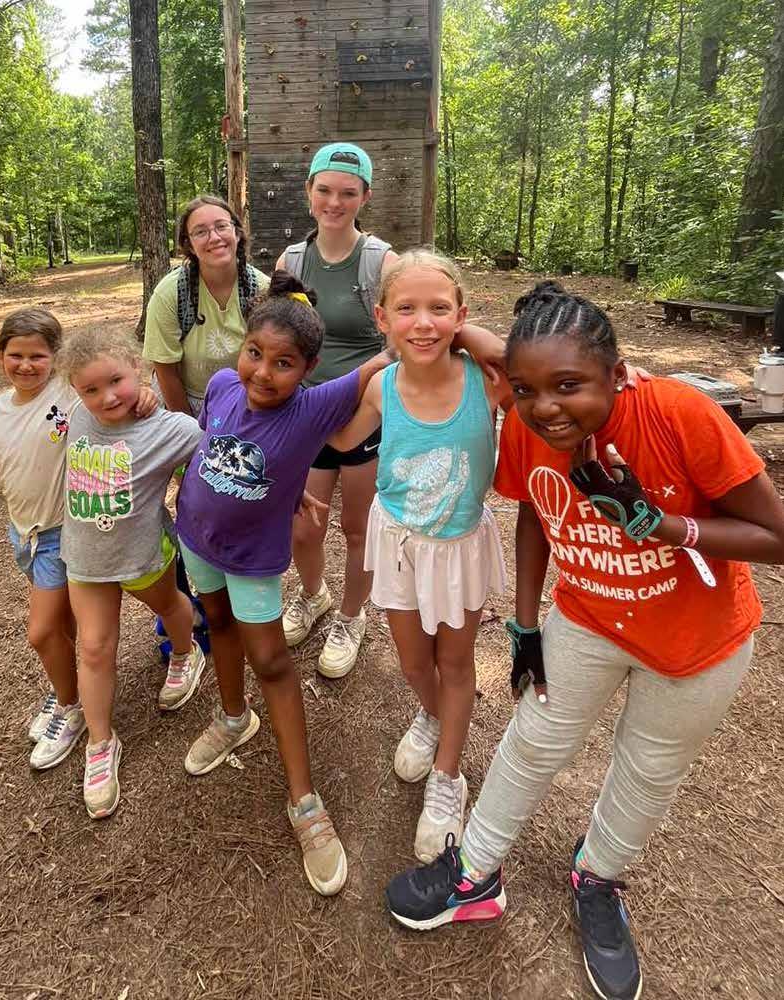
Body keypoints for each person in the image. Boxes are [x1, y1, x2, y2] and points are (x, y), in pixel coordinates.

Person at [385, 282, 784, 1000]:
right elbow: (534, 514)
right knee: (533, 740)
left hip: (697, 643)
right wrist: (525, 624)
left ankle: (597, 876)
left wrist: (661, 524)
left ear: (617, 373)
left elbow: (775, 537)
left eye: (568, 386)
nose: (546, 408)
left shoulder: (678, 414)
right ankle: (473, 873)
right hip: (588, 618)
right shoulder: (528, 427)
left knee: (648, 768)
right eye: (526, 389)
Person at [174, 272, 395, 896]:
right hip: (196, 537)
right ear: (241, 345)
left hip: (253, 559)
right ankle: (232, 717)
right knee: (217, 625)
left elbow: (388, 357)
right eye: (255, 353)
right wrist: (286, 485)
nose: (263, 373)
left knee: (271, 660)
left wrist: (445, 322)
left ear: (308, 369)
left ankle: (304, 799)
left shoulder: (314, 406)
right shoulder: (223, 385)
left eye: (283, 363)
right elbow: (218, 444)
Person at [327, 251, 509, 862]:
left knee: (455, 663)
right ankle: (432, 716)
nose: (423, 322)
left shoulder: (486, 382)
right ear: (382, 318)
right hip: (398, 543)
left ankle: (448, 775)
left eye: (439, 309)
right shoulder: (382, 387)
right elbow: (338, 437)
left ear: (461, 315)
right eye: (406, 309)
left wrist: (475, 338)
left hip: (457, 549)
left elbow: (527, 366)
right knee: (413, 664)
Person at [0, 309, 156, 772]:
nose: (26, 365)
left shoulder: (67, 394)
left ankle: (70, 707)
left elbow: (110, 389)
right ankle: (69, 688)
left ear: (57, 358)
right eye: (16, 355)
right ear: (0, 357)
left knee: (42, 631)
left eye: (38, 356)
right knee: (61, 627)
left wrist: (144, 393)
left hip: (62, 534)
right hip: (23, 534)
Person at [58, 329, 205, 820]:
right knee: (94, 647)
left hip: (143, 557)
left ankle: (185, 653)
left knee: (171, 607)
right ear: (76, 391)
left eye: (116, 381)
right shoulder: (76, 416)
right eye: (91, 389)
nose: (106, 397)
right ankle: (101, 743)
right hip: (86, 560)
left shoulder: (172, 430)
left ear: (137, 370)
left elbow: (216, 464)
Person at [275, 142, 399, 678]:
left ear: (365, 197)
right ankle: (313, 595)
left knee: (356, 527)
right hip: (307, 412)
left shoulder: (381, 262)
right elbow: (281, 338)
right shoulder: (291, 262)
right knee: (304, 524)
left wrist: (359, 390)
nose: (334, 202)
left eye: (348, 192)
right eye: (324, 190)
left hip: (363, 411)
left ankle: (352, 615)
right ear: (309, 191)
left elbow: (400, 343)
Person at [143, 195, 270, 416]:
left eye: (222, 226)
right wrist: (190, 428)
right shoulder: (170, 294)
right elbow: (165, 370)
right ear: (189, 245)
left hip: (246, 400)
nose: (214, 238)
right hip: (186, 399)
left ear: (237, 233)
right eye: (201, 232)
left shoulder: (262, 288)